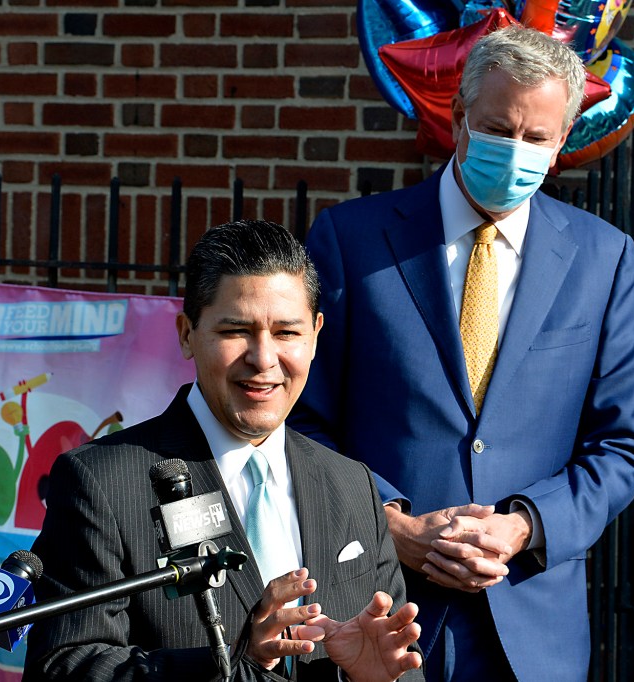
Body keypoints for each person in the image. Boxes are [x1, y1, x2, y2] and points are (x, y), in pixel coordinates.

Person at [289, 25, 634, 682]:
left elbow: (619, 450)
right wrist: (395, 528)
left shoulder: (607, 261)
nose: (515, 150)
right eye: (497, 128)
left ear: (562, 140)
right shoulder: (351, 240)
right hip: (373, 617)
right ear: (458, 118)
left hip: (531, 635)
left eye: (536, 137)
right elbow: (300, 423)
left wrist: (522, 525)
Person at [25, 220, 424, 681]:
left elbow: (400, 665)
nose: (263, 358)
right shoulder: (102, 482)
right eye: (236, 330)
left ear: (316, 334)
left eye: (286, 333)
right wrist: (232, 667)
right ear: (186, 333)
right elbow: (62, 668)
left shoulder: (353, 484)